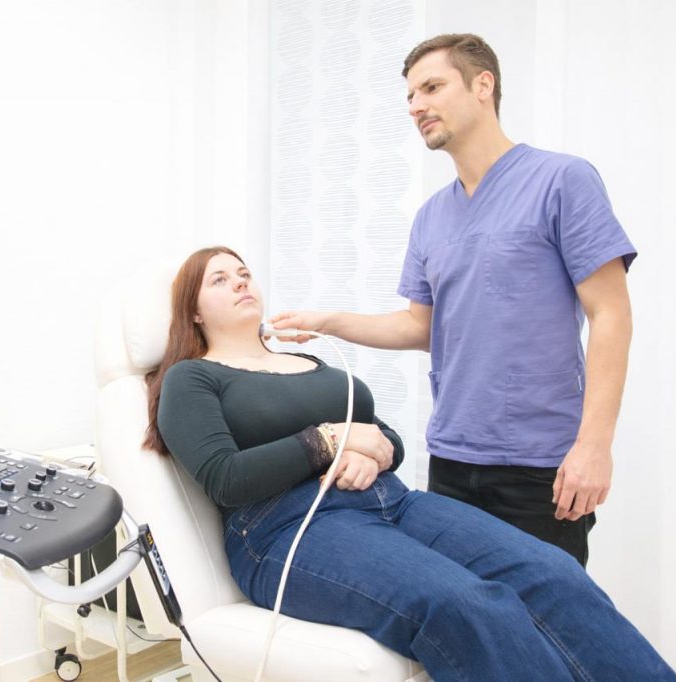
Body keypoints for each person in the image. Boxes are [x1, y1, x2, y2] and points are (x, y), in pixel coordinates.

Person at [146, 246, 676, 682]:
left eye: (244, 272)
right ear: (194, 312)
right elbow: (225, 478)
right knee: (467, 604)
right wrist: (330, 439)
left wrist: (368, 452)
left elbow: (384, 437)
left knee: (551, 574)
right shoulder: (192, 378)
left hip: (392, 500)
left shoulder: (306, 360)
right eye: (219, 280)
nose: (240, 282)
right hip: (288, 528)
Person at [272, 34, 635, 567]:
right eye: (410, 96)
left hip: (541, 466)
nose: (416, 105)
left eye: (432, 87)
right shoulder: (431, 217)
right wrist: (326, 320)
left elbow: (611, 314)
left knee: (543, 612)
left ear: (483, 85)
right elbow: (421, 327)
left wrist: (594, 447)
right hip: (451, 460)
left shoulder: (562, 180)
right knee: (461, 611)